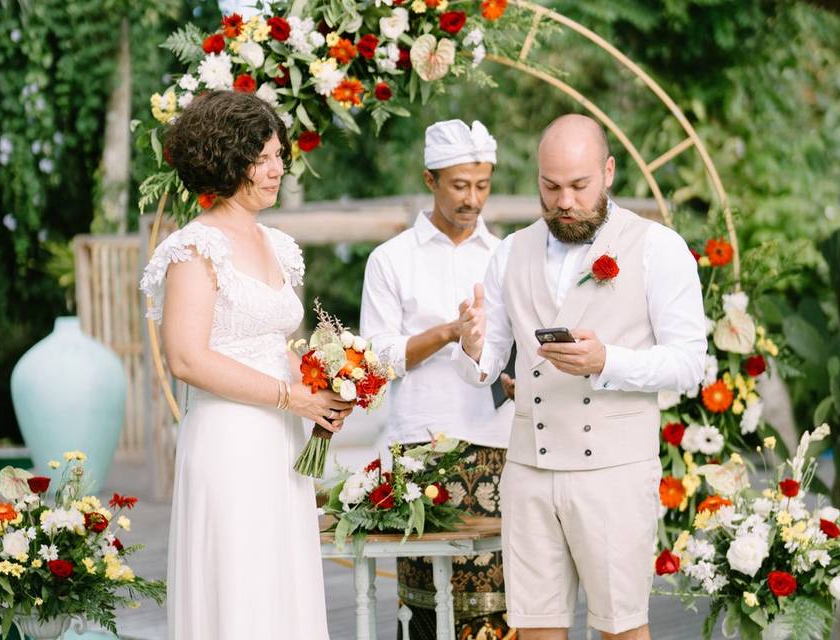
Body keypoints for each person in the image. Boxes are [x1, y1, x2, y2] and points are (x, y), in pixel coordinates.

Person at [453, 114, 707, 640]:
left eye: (578, 186)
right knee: (535, 629)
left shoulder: (658, 247)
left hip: (613, 475)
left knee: (621, 630)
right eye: (550, 187)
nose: (564, 201)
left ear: (609, 172)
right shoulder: (509, 252)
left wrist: (607, 362)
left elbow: (689, 363)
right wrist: (473, 346)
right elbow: (490, 361)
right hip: (528, 470)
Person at [140, 91, 351, 640]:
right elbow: (186, 358)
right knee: (241, 586)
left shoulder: (276, 244)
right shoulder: (194, 249)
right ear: (227, 160)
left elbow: (272, 340)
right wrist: (291, 398)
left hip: (282, 440)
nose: (278, 167)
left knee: (282, 584)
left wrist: (327, 380)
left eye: (279, 154)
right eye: (263, 158)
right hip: (229, 442)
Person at [360, 119, 512, 639]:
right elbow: (377, 361)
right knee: (425, 596)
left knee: (495, 592)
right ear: (430, 180)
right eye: (460, 185)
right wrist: (449, 332)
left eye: (483, 185)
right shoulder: (391, 260)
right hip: (419, 445)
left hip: (496, 441)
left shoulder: (505, 257)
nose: (473, 199)